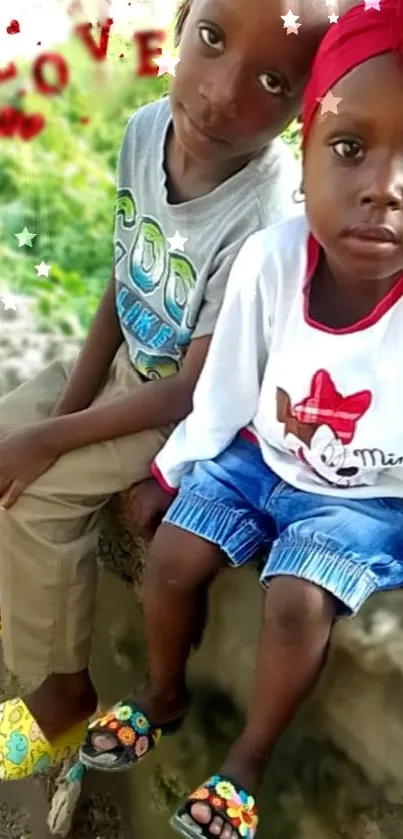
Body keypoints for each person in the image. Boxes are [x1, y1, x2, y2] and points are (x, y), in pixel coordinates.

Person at [80, 1, 403, 837]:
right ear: (303, 159)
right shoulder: (273, 257)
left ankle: (244, 764)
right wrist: (173, 468)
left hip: (360, 497)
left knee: (297, 602)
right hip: (260, 455)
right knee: (176, 552)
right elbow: (223, 386)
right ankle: (161, 691)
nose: (383, 186)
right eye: (347, 148)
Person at [0, 0, 342, 783]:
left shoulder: (262, 215)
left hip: (187, 415)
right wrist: (61, 414)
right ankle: (25, 613)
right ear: (180, 23)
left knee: (38, 499)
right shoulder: (145, 130)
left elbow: (194, 391)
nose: (221, 94)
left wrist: (54, 441)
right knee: (7, 447)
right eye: (211, 38)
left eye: (270, 79)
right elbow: (124, 283)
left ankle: (61, 695)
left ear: (303, 109)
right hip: (128, 371)